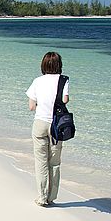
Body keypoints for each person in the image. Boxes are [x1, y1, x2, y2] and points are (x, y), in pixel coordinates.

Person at [25, 51, 69, 207]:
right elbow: (65, 100)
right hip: (57, 125)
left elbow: (31, 106)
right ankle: (51, 197)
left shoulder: (37, 81)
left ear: (43, 65)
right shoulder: (63, 81)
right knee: (54, 163)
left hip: (40, 124)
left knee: (41, 162)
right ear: (59, 65)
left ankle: (42, 197)